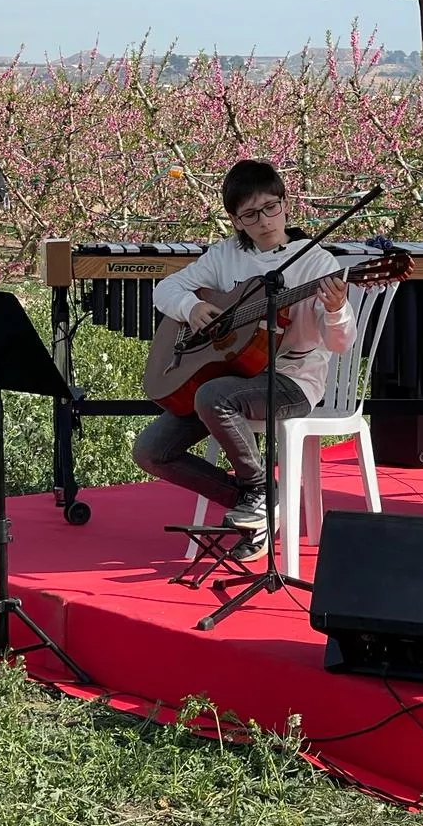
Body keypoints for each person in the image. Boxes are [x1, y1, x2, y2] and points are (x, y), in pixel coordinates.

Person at [132, 159, 354, 563]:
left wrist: (337, 309)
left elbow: (340, 343)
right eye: (250, 214)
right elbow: (166, 289)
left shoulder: (316, 263)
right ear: (235, 221)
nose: (265, 220)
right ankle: (259, 499)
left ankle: (257, 494)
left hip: (292, 380)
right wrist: (191, 308)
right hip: (232, 375)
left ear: (285, 204)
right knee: (150, 451)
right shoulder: (225, 256)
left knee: (211, 395)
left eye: (271, 207)